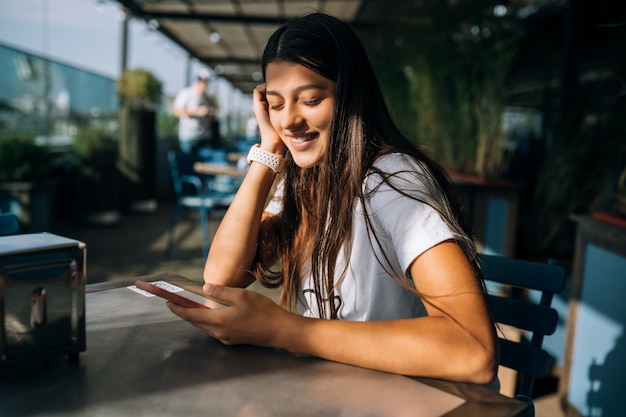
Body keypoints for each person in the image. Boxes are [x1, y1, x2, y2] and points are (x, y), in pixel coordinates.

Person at [168, 12, 499, 387]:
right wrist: (269, 149)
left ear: (350, 96)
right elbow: (222, 276)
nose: (289, 119)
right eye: (276, 104)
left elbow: (474, 351)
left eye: (310, 99)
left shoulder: (392, 180)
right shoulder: (306, 178)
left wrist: (284, 330)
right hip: (336, 389)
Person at [173, 68, 219, 154]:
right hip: (189, 138)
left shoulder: (207, 97)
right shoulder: (186, 93)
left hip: (204, 137)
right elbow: (178, 112)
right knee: (189, 163)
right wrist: (197, 111)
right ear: (199, 81)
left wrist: (209, 113)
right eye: (204, 81)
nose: (206, 84)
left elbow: (214, 114)